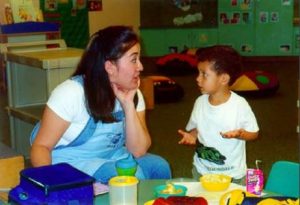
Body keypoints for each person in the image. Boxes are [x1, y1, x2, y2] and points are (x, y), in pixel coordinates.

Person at [30, 26, 171, 184]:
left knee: (159, 167)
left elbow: (138, 150)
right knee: (129, 179)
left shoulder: (133, 93)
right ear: (110, 67)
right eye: (133, 60)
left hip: (112, 156)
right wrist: (53, 186)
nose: (141, 67)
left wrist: (128, 105)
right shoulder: (71, 93)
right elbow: (40, 147)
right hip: (71, 163)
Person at [178, 45, 259, 185]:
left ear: (223, 79)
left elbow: (254, 133)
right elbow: (197, 128)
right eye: (198, 73)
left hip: (232, 175)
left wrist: (240, 134)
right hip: (202, 172)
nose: (198, 79)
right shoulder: (200, 102)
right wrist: (192, 135)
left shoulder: (239, 105)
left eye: (204, 74)